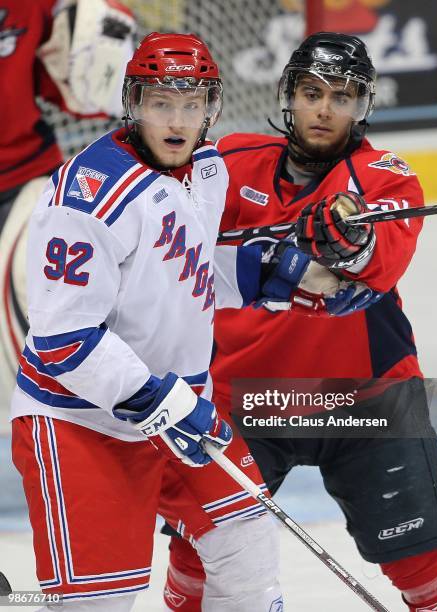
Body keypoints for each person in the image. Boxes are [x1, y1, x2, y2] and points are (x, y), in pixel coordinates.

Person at [10, 31, 381, 612]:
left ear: (212, 109)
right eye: (162, 103)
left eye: (192, 105)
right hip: (80, 427)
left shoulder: (207, 168)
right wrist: (160, 399)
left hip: (180, 409)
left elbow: (189, 268)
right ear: (133, 104)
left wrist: (288, 276)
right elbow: (63, 338)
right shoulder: (86, 197)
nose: (177, 121)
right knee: (101, 604)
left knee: (248, 543)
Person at [162, 33, 437, 612]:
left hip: (367, 398)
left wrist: (350, 242)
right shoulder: (226, 164)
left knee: (426, 573)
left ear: (364, 106)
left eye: (343, 95)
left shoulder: (385, 175)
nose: (325, 108)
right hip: (245, 398)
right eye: (312, 92)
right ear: (289, 96)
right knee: (198, 562)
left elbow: (379, 256)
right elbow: (171, 243)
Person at [0, 0, 136, 404]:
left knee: (45, 293)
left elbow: (75, 92)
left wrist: (98, 50)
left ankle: (69, 428)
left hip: (26, 174)